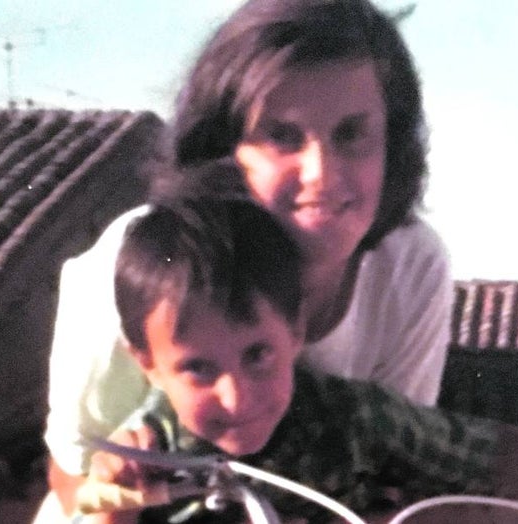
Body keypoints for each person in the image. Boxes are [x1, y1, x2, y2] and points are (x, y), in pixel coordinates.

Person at [78, 193, 518, 524]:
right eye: (199, 368)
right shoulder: (137, 459)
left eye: (258, 356)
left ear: (299, 332)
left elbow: (491, 451)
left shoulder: (351, 419)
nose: (238, 394)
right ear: (146, 364)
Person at [45, 0, 453, 514]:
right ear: (224, 149)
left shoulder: (413, 270)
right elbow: (75, 468)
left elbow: (396, 465)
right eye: (282, 136)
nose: (321, 174)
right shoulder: (139, 267)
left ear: (392, 142)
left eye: (351, 134)